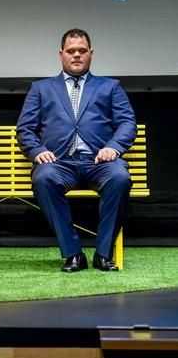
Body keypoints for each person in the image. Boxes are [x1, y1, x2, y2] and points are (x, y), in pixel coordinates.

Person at [16, 29, 136, 273]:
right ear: (61, 55)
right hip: (59, 162)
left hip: (99, 162)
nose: (77, 55)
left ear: (91, 54)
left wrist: (113, 147)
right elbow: (25, 129)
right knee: (43, 178)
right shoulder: (41, 88)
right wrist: (37, 150)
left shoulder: (110, 87)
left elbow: (127, 123)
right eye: (71, 51)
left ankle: (103, 253)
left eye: (82, 51)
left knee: (120, 177)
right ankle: (73, 253)